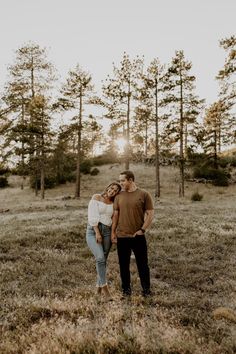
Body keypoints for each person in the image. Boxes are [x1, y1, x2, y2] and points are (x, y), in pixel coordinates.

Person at [111, 170, 154, 297]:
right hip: (122, 237)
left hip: (138, 236)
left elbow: (150, 214)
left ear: (130, 180)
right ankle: (126, 291)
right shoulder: (119, 196)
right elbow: (115, 215)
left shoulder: (144, 194)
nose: (121, 183)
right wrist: (113, 232)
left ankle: (146, 291)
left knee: (143, 265)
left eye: (123, 181)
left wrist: (142, 230)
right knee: (124, 266)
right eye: (120, 181)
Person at [86, 182, 121, 299]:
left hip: (107, 231)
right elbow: (92, 216)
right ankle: (106, 290)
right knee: (100, 258)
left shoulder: (114, 203)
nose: (112, 191)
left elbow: (114, 219)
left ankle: (98, 290)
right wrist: (97, 232)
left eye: (115, 190)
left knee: (103, 261)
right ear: (108, 187)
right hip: (93, 230)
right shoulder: (96, 197)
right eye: (112, 188)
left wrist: (113, 233)